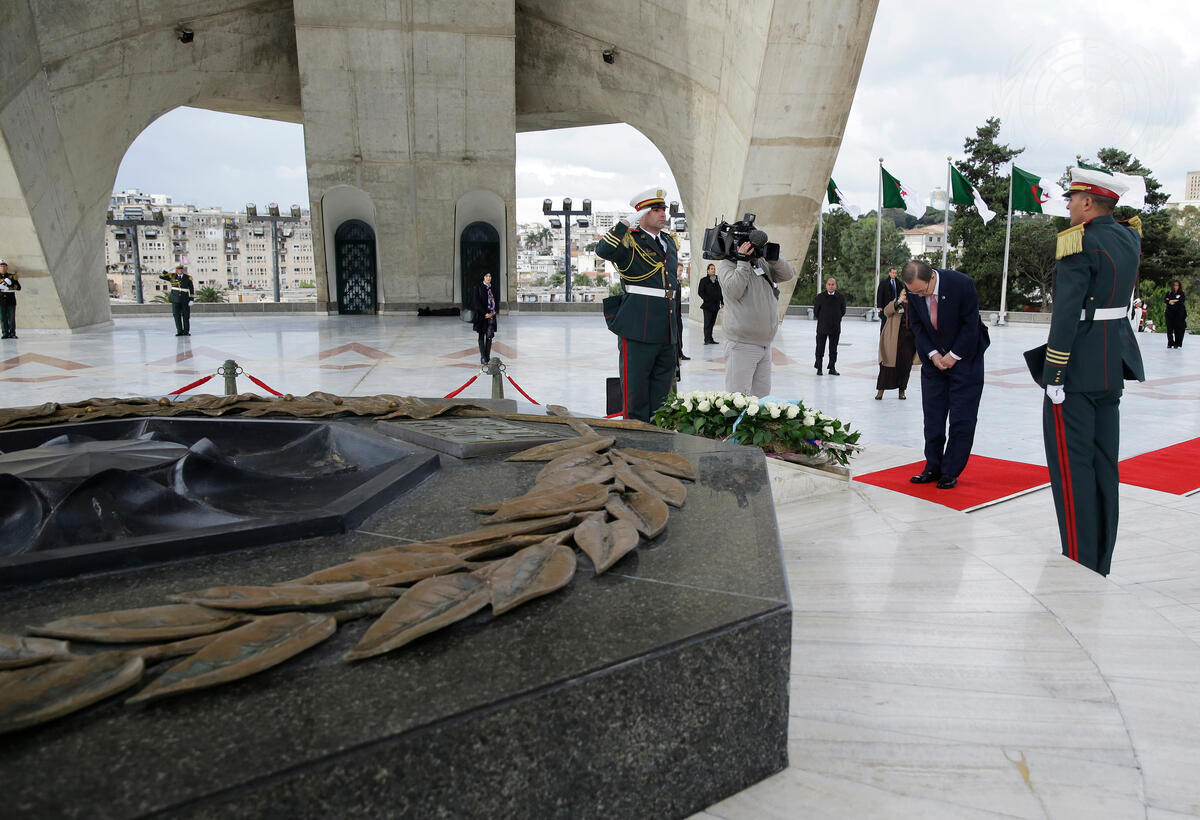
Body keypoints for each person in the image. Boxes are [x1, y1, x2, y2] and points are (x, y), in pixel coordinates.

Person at [1039, 168, 1145, 576]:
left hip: (1077, 370)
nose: (1067, 205)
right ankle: (1102, 557)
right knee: (1105, 465)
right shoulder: (1129, 236)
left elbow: (1067, 314)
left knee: (1073, 467)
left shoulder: (1079, 242)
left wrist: (1054, 374)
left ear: (1087, 203)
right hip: (1111, 364)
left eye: (1071, 199)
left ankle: (1080, 559)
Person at [902, 260, 990, 490]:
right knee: (933, 417)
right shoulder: (913, 290)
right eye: (914, 293)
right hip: (934, 362)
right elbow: (917, 326)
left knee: (962, 419)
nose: (919, 296)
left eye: (922, 291)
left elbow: (971, 325)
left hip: (965, 360)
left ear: (932, 277)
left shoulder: (961, 284)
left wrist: (954, 355)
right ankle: (932, 466)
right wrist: (932, 355)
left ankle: (950, 470)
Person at [596, 187, 680, 422]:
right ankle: (635, 436)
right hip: (638, 323)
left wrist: (677, 335)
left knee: (662, 390)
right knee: (636, 389)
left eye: (663, 209)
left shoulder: (668, 241)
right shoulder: (629, 240)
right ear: (641, 214)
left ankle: (657, 434)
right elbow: (603, 250)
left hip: (666, 326)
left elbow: (672, 286)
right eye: (655, 210)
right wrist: (625, 223)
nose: (662, 214)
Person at [716, 231, 795, 397]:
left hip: (765, 343)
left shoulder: (761, 263)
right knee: (737, 398)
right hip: (741, 344)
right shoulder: (727, 265)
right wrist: (742, 262)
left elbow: (788, 274)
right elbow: (733, 291)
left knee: (762, 398)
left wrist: (773, 258)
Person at [875, 288, 917, 400]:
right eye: (905, 294)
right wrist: (899, 301)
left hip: (909, 340)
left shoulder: (915, 305)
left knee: (905, 366)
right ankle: (880, 391)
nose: (906, 296)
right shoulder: (895, 304)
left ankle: (902, 391)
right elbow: (886, 312)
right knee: (887, 366)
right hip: (893, 339)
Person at [812, 276, 845, 375]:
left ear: (836, 285)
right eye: (829, 284)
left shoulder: (840, 297)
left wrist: (836, 318)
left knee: (833, 349)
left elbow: (843, 311)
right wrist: (823, 319)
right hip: (822, 327)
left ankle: (832, 368)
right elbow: (816, 312)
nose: (831, 286)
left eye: (833, 284)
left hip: (835, 327)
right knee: (820, 348)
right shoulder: (820, 297)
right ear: (826, 285)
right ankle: (819, 368)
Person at [471, 271, 499, 364]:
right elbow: (476, 302)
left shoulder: (493, 288)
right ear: (483, 277)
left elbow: (497, 301)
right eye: (486, 276)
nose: (488, 278)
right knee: (481, 335)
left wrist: (493, 313)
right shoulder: (478, 287)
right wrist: (485, 313)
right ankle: (483, 357)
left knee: (489, 336)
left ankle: (488, 356)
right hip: (482, 316)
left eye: (490, 276)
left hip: (491, 316)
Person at [159, 264, 194, 336]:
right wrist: (166, 271)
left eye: (181, 269)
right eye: (178, 269)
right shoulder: (172, 276)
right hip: (175, 299)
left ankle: (186, 331)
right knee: (176, 316)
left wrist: (191, 299)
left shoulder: (188, 278)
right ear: (176, 270)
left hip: (185, 299)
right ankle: (179, 331)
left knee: (186, 316)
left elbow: (191, 289)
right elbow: (161, 276)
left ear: (182, 270)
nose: (180, 270)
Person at [697, 262, 723, 344]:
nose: (713, 270)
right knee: (707, 323)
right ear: (708, 270)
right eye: (711, 269)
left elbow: (720, 291)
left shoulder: (717, 280)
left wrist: (722, 301)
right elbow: (700, 292)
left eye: (714, 269)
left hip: (716, 305)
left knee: (712, 323)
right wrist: (706, 299)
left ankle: (710, 339)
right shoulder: (704, 280)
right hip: (707, 305)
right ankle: (706, 339)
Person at [875, 267, 901, 334]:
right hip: (885, 306)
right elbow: (879, 294)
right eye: (893, 273)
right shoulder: (883, 282)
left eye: (895, 273)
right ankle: (882, 336)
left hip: (896, 306)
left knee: (894, 323)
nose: (894, 274)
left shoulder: (899, 283)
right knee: (884, 322)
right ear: (889, 273)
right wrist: (879, 305)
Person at [0, 259, 21, 340]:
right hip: (1, 300)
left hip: (11, 300)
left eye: (4, 266)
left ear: (7, 267)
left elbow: (18, 287)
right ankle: (5, 333)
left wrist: (11, 287)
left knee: (11, 318)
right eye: (1, 266)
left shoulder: (11, 276)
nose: (3, 267)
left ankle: (12, 333)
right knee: (3, 318)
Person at [1165, 280, 1187, 348]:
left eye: (1177, 285)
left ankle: (1177, 344)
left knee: (1178, 329)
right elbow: (1166, 300)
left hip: (1178, 314)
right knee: (1169, 329)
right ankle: (1170, 342)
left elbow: (1181, 301)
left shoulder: (1181, 293)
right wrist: (1171, 301)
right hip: (1169, 314)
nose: (1176, 287)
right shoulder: (1169, 293)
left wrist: (1172, 301)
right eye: (1175, 285)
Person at [675, 262, 690, 363]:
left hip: (678, 313)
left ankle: (680, 353)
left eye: (682, 271)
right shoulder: (672, 282)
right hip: (674, 313)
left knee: (680, 332)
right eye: (680, 270)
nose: (681, 272)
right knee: (676, 334)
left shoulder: (677, 281)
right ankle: (677, 354)